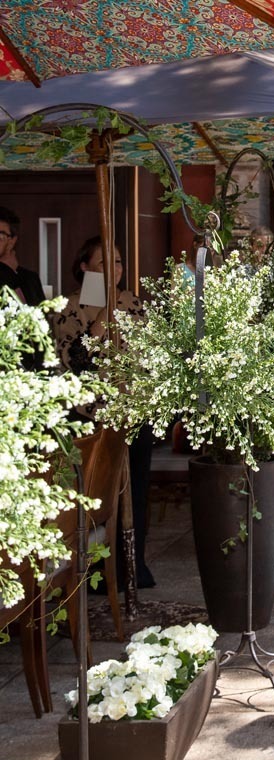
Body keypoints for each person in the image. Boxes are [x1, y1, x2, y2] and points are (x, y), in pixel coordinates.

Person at [52, 236, 155, 588]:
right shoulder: (72, 306)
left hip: (131, 408)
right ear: (84, 267)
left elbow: (149, 352)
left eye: (119, 262)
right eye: (104, 263)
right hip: (89, 414)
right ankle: (93, 571)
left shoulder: (131, 302)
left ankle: (133, 565)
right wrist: (102, 320)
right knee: (95, 494)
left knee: (135, 489)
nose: (114, 270)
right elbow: (76, 361)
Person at [0, 205, 45, 306]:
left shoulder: (30, 279)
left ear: (12, 241)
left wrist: (8, 271)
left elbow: (40, 317)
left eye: (1, 236)